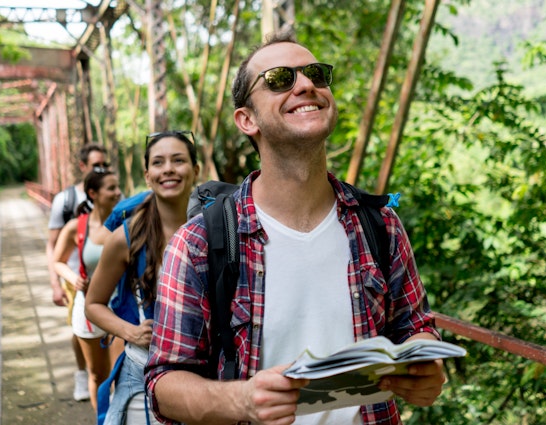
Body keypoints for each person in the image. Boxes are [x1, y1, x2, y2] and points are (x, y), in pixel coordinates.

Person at [145, 32, 446, 425]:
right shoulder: (199, 243)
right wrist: (242, 400)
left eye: (316, 75)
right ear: (246, 119)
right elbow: (163, 383)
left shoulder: (381, 225)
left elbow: (416, 328)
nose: (306, 85)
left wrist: (425, 364)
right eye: (279, 79)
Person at [85, 131, 200, 425]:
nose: (169, 169)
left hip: (204, 376)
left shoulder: (216, 229)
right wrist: (130, 331)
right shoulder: (127, 237)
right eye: (159, 163)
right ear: (148, 176)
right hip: (143, 377)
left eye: (178, 160)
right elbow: (93, 304)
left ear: (196, 170)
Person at [53, 168, 123, 410]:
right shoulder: (76, 227)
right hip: (89, 308)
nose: (118, 192)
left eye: (118, 187)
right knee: (98, 376)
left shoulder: (127, 220)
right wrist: (74, 279)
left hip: (121, 307)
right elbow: (57, 261)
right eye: (111, 188)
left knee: (122, 375)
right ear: (93, 193)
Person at [46, 143, 110, 401]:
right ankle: (83, 373)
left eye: (104, 164)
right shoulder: (66, 200)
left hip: (108, 274)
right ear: (83, 167)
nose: (102, 169)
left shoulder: (113, 193)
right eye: (96, 165)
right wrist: (56, 284)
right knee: (80, 330)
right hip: (77, 278)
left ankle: (99, 378)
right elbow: (52, 245)